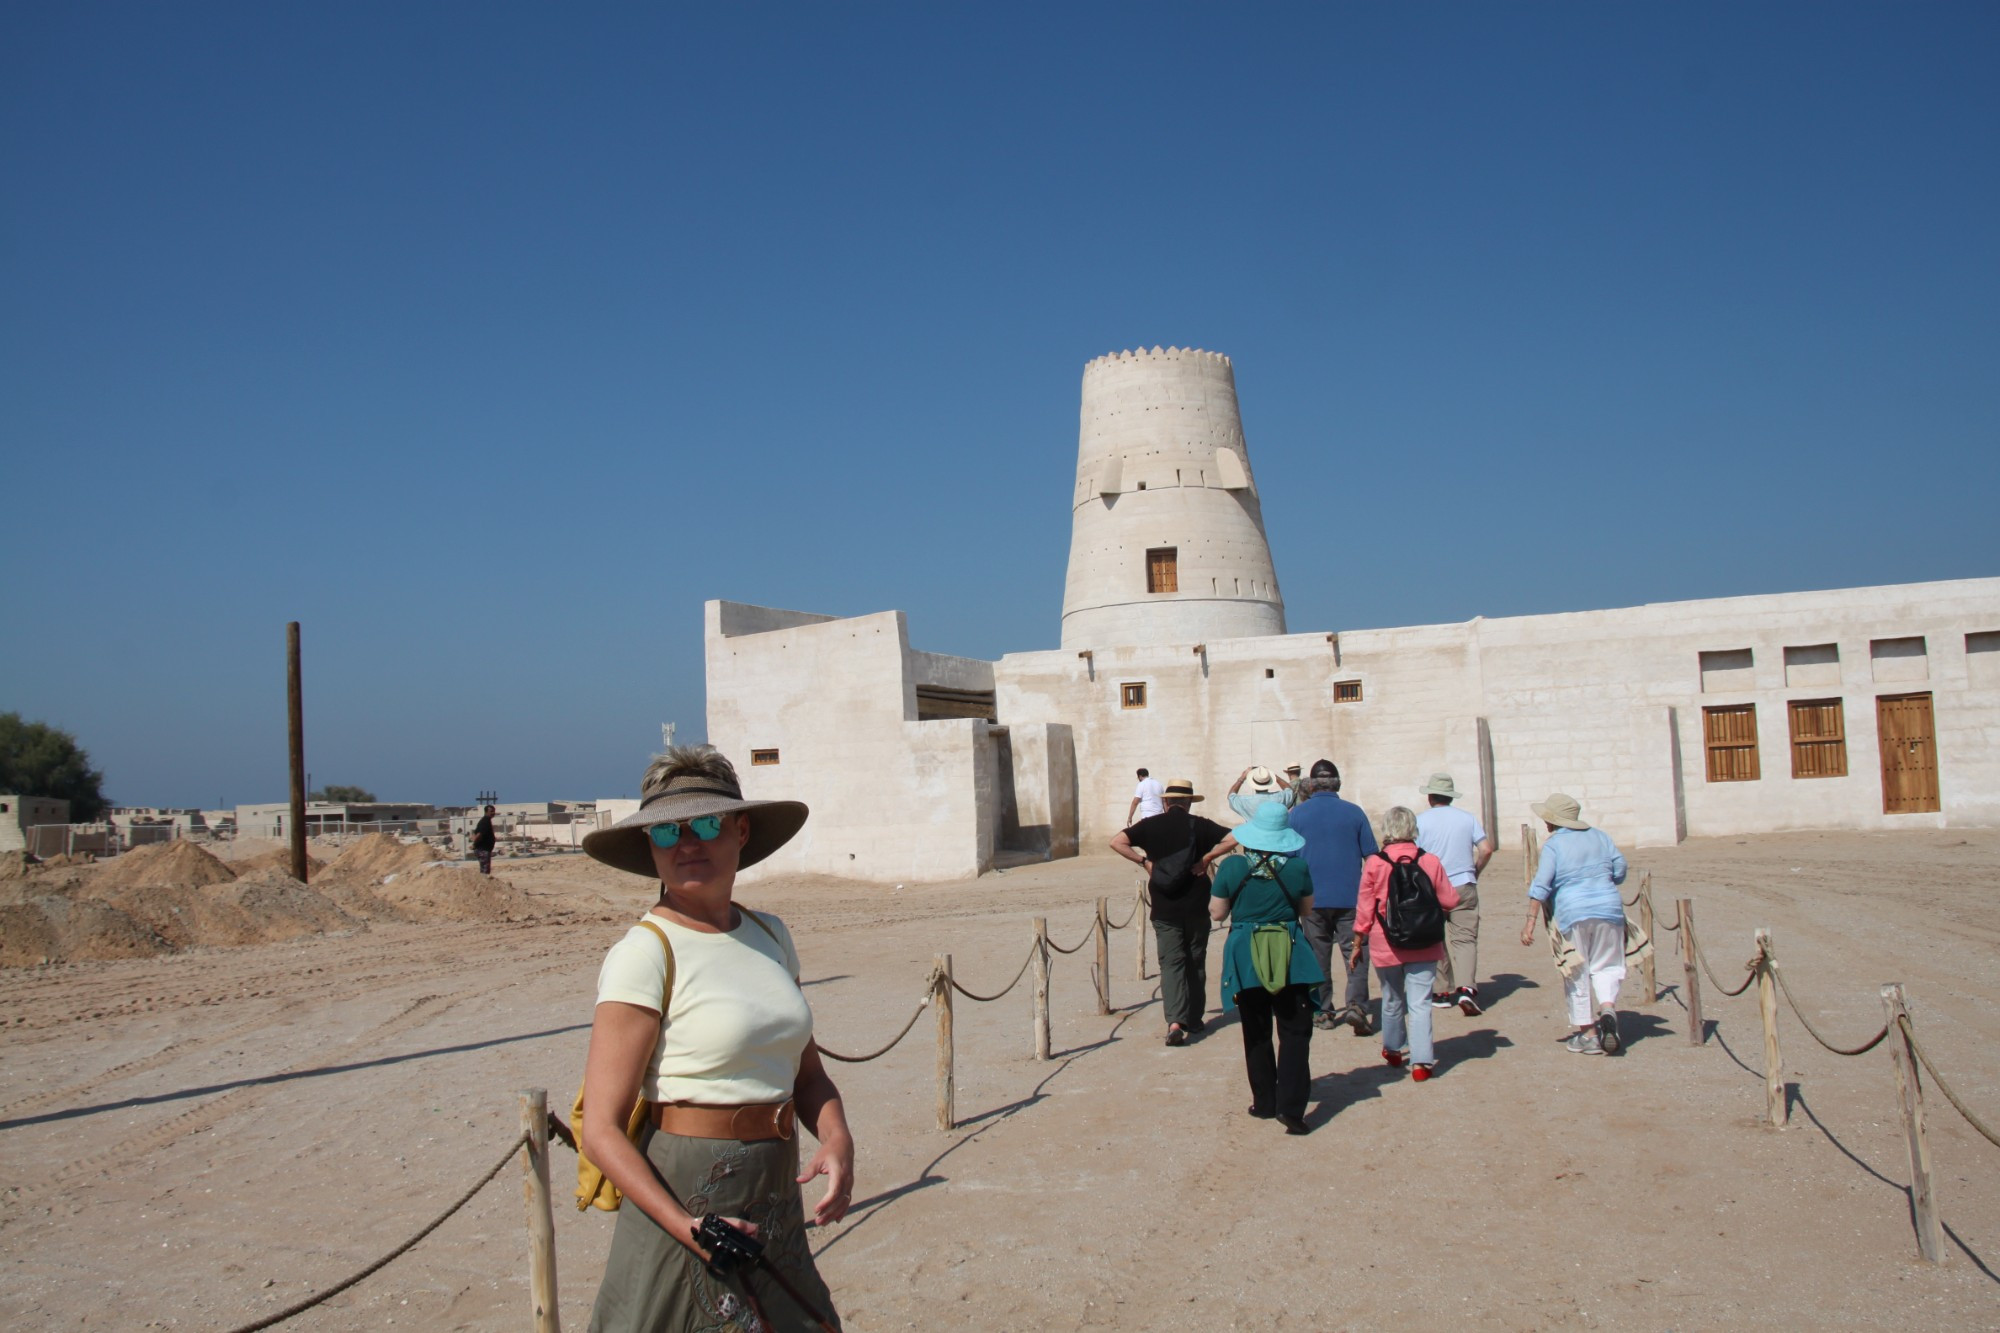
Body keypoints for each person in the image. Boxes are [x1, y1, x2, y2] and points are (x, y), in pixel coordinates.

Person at [577, 746, 848, 1331]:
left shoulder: (770, 934)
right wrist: (686, 1229)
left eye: (705, 823)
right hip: (685, 1197)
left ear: (740, 830)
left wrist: (835, 1135)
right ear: (650, 848)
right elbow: (600, 1128)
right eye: (667, 832)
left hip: (775, 1189)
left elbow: (807, 1075)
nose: (687, 844)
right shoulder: (644, 953)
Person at [1210, 802, 1327, 1134]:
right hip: (1289, 950)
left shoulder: (1232, 867)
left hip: (1246, 952)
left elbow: (1217, 913)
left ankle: (1264, 1101)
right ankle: (1291, 1109)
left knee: (1256, 1028)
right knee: (1294, 1031)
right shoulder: (1297, 869)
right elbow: (1306, 909)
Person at [1111, 778, 1228, 1046]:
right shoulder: (1201, 826)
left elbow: (1116, 841)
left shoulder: (1150, 825)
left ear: (1165, 802)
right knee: (1195, 960)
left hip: (1164, 905)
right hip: (1197, 904)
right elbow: (1235, 837)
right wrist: (1207, 858)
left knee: (1171, 962)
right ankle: (1196, 1019)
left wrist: (1144, 861)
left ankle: (1175, 1021)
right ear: (1188, 802)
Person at [1351, 806, 1462, 1082]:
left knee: (1391, 998)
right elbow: (1450, 900)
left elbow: (1365, 907)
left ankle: (1393, 1048)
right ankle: (1422, 1062)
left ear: (1387, 830)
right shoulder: (1430, 861)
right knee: (1420, 1002)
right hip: (1424, 940)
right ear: (1413, 829)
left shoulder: (1375, 863)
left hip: (1385, 941)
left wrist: (1357, 940)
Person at [1520, 792, 1630, 1056]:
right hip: (1609, 909)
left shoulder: (1554, 844)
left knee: (1576, 970)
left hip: (1573, 911)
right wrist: (1603, 883)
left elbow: (1542, 884)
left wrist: (1530, 921)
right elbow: (1620, 868)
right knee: (1608, 965)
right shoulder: (1600, 836)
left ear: (1553, 821)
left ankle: (1589, 1034)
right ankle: (1607, 1008)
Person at [1280, 760, 1380, 1036]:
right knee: (1356, 952)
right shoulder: (1354, 813)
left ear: (1310, 785)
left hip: (1312, 898)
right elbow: (1371, 855)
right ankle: (1357, 1006)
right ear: (1338, 783)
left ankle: (1323, 1010)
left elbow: (1288, 859)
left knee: (1317, 955)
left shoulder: (1297, 815)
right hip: (1351, 896)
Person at [1414, 774, 1493, 1015]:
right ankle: (1467, 989)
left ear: (1430, 796)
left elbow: (1414, 854)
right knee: (1465, 939)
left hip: (1432, 886)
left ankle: (1441, 991)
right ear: (1450, 796)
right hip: (1463, 883)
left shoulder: (1420, 821)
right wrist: (1475, 871)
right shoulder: (1467, 819)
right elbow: (1486, 849)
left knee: (1435, 937)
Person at [1224, 765, 1296, 821]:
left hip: (1253, 838)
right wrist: (1273, 775)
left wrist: (1242, 777)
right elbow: (1289, 791)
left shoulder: (1246, 801)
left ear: (1253, 783)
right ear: (1269, 781)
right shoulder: (1279, 797)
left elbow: (1231, 796)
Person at [472, 804, 497, 875]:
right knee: (485, 871)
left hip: (484, 849)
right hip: (483, 850)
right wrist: (474, 844)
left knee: (485, 869)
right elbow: (478, 834)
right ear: (486, 812)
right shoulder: (485, 821)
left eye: (494, 811)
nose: (493, 813)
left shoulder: (486, 821)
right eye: (491, 811)